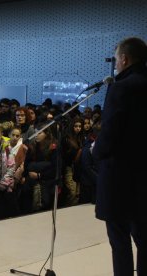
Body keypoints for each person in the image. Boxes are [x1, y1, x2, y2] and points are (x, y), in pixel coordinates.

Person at [93, 37, 147, 276]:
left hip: (119, 175)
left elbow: (111, 130)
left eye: (116, 59)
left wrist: (95, 151)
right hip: (144, 175)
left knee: (120, 239)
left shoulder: (122, 87)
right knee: (144, 238)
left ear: (124, 59)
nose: (115, 64)